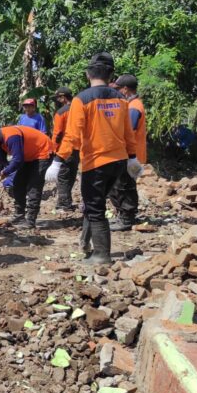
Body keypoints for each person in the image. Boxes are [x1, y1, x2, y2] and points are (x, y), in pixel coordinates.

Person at [47, 52, 141, 265]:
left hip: (96, 163)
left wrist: (58, 160)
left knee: (96, 208)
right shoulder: (121, 99)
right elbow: (128, 133)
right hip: (118, 162)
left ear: (88, 74)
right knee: (94, 204)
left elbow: (72, 134)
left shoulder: (82, 99)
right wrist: (132, 157)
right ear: (111, 75)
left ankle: (101, 256)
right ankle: (86, 243)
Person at [0, 123, 53, 228]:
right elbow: (0, 162)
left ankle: (30, 220)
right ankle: (19, 216)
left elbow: (18, 160)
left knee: (34, 185)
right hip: (28, 156)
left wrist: (6, 171)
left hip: (42, 151)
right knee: (18, 183)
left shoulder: (12, 136)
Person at [108, 74, 146, 231]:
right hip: (127, 152)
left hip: (130, 153)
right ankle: (124, 215)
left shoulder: (133, 107)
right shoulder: (132, 104)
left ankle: (126, 218)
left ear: (125, 89)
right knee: (119, 184)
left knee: (124, 185)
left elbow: (128, 130)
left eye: (118, 89)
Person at [51, 87, 78, 211]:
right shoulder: (80, 109)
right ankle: (66, 202)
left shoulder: (61, 112)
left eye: (58, 98)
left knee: (62, 176)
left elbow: (57, 133)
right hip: (78, 148)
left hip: (64, 149)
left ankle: (64, 204)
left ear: (63, 98)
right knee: (71, 175)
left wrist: (53, 150)